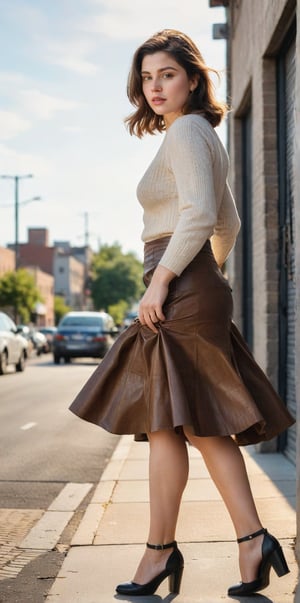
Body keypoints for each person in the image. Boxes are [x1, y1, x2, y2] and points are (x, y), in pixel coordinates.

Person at [69, 29, 295, 597]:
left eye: (166, 74)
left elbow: (200, 216)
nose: (155, 87)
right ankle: (203, 546)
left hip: (176, 287)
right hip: (185, 284)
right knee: (170, 423)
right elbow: (230, 224)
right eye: (146, 78)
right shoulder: (186, 135)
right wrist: (204, 276)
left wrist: (173, 280)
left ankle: (204, 546)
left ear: (193, 79)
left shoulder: (190, 130)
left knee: (191, 423)